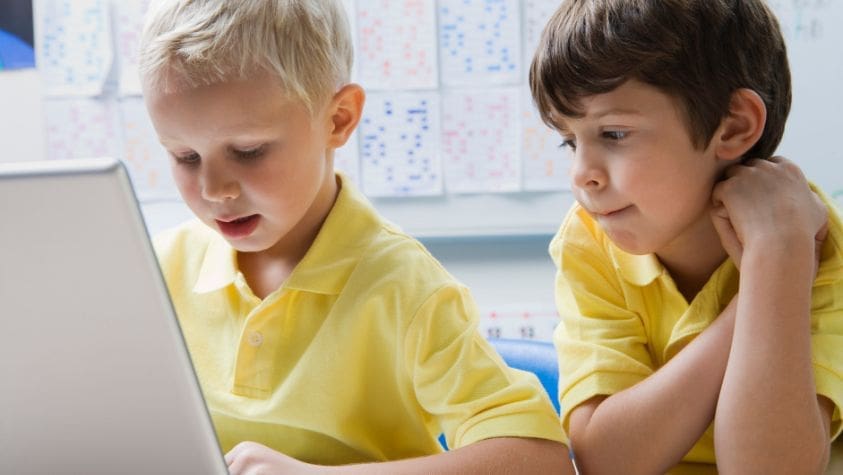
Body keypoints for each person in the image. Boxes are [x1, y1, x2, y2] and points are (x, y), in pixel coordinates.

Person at [138, 0, 573, 473]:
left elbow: (540, 460)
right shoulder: (159, 269)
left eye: (249, 151)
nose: (213, 189)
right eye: (184, 157)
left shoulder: (404, 287)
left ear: (338, 119)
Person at [529, 0, 842, 473]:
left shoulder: (815, 243)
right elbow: (605, 460)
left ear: (734, 126)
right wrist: (751, 301)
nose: (582, 175)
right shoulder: (590, 239)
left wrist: (779, 257)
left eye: (613, 134)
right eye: (570, 141)